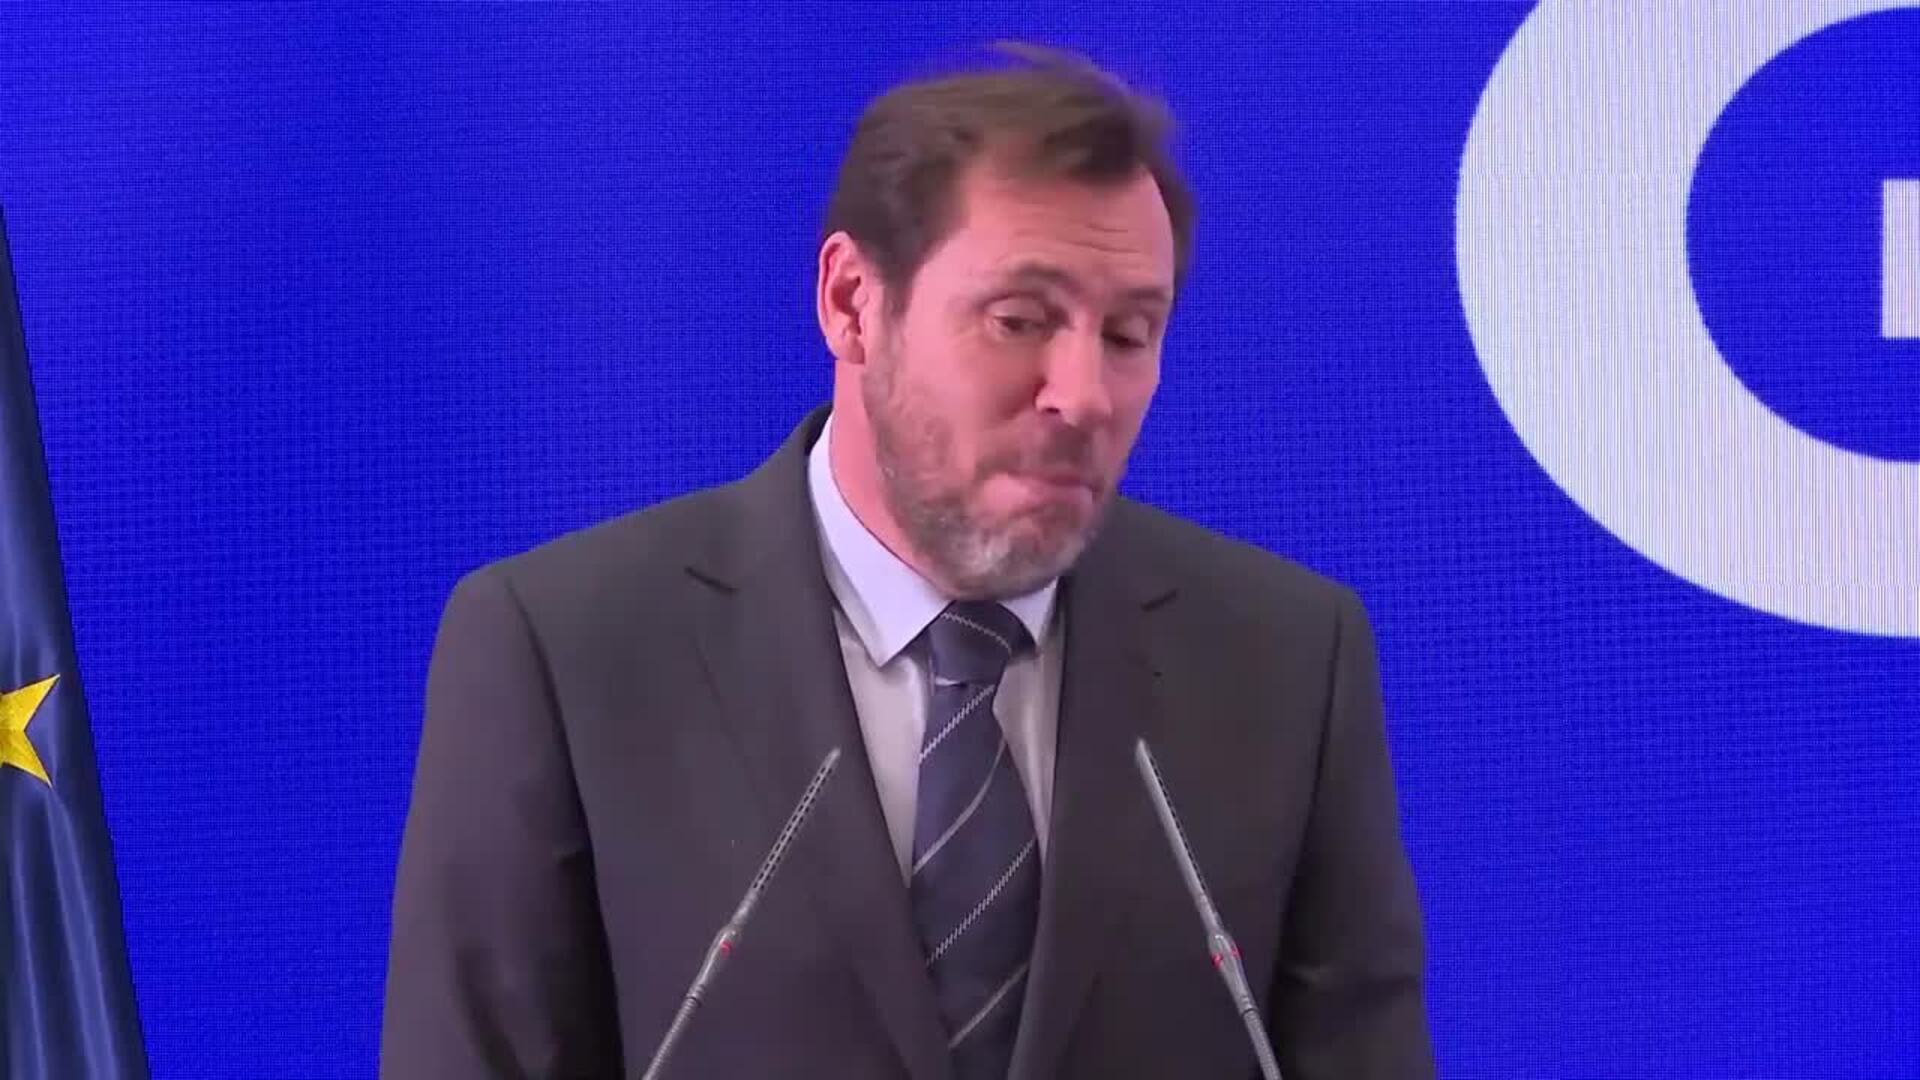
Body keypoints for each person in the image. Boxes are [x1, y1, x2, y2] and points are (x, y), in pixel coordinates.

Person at [381, 45, 1434, 1080]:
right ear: (852, 302)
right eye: (1019, 319)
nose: (1083, 395)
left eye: (1128, 333)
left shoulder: (1285, 660)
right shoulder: (568, 651)